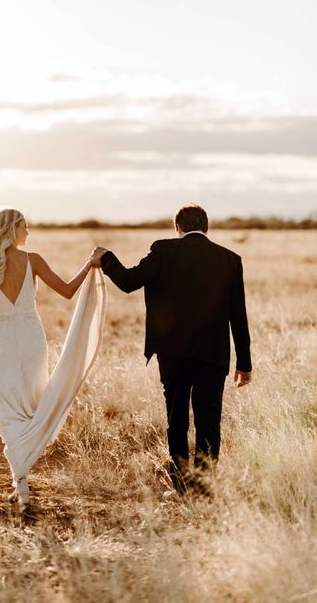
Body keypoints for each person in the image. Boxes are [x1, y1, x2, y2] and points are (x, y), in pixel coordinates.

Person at [91, 203, 252, 494]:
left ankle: (179, 485)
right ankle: (203, 488)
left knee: (176, 417)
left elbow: (128, 282)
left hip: (173, 353)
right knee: (208, 421)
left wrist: (106, 258)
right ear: (207, 227)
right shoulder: (230, 259)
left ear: (177, 227)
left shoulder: (163, 250)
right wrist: (245, 363)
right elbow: (237, 315)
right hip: (213, 354)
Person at [0, 207, 106, 508]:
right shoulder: (32, 260)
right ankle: (20, 477)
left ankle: (21, 482)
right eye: (25, 226)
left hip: (2, 340)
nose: (28, 232)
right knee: (32, 405)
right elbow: (67, 291)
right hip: (31, 338)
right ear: (13, 229)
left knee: (8, 408)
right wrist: (89, 266)